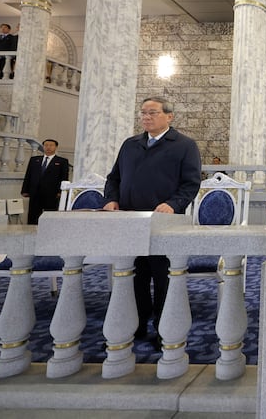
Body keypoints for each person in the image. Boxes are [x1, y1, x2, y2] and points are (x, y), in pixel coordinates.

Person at [103, 97, 202, 347]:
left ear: (169, 116)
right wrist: (111, 199)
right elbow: (113, 178)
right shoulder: (130, 144)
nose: (146, 117)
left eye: (153, 113)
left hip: (163, 223)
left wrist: (173, 204)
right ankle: (134, 324)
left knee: (162, 277)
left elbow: (190, 183)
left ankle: (164, 328)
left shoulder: (184, 146)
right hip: (129, 220)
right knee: (132, 275)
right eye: (143, 113)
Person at [21, 139, 70, 224]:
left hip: (52, 193)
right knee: (33, 214)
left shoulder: (62, 161)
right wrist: (25, 190)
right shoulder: (34, 160)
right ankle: (31, 230)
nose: (48, 147)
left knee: (49, 213)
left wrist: (60, 191)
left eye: (51, 145)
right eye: (46, 145)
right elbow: (28, 175)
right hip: (35, 192)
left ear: (56, 147)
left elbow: (64, 177)